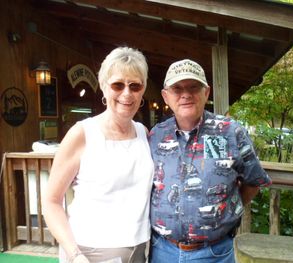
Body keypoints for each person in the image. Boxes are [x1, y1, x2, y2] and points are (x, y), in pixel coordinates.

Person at [148, 59, 272, 263]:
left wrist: (225, 210)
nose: (185, 94)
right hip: (162, 251)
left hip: (214, 254)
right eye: (177, 88)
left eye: (193, 87)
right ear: (166, 96)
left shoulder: (230, 132)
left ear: (206, 93)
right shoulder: (156, 136)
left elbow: (254, 181)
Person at [42, 47, 154, 263]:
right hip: (89, 253)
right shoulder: (83, 133)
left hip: (140, 250)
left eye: (135, 85)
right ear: (104, 87)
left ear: (143, 90)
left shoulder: (143, 133)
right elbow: (51, 201)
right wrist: (75, 255)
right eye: (117, 84)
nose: (126, 93)